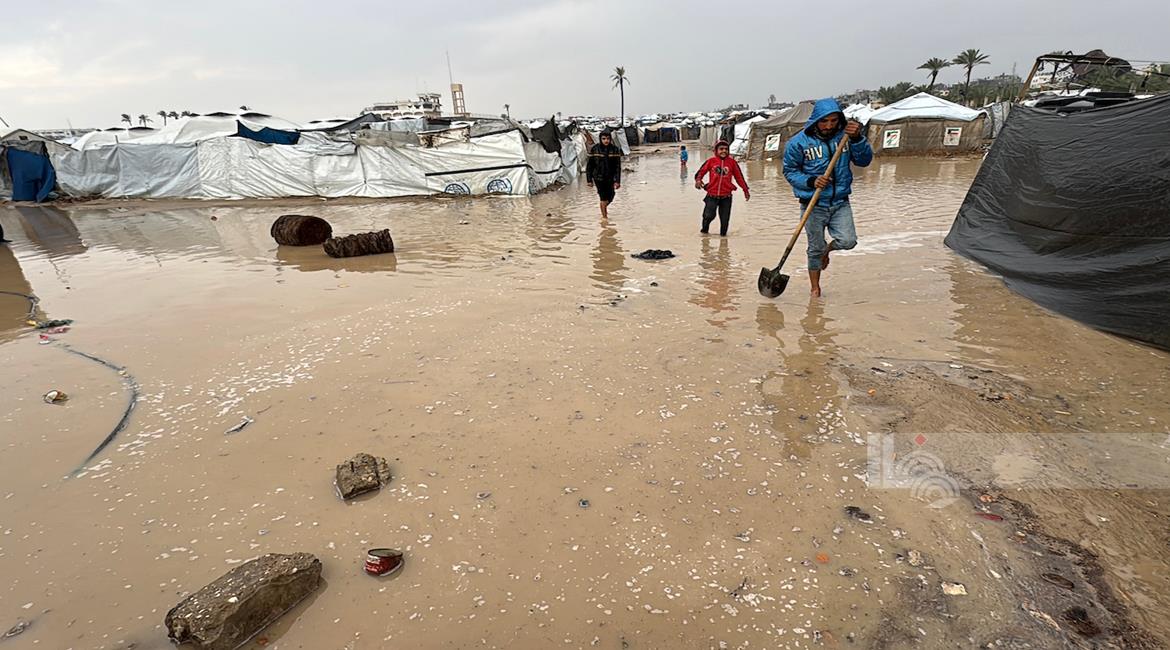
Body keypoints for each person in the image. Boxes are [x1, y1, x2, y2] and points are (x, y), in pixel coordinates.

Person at [782, 98, 872, 297]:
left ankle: (827, 250)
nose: (829, 126)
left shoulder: (847, 137)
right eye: (824, 121)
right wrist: (811, 181)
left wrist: (858, 139)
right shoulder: (798, 143)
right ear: (816, 120)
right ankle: (815, 289)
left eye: (833, 121)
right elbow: (789, 171)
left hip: (840, 202)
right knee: (814, 248)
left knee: (848, 241)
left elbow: (864, 161)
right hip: (813, 204)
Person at [693, 140, 749, 236]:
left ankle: (723, 241)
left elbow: (739, 177)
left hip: (726, 197)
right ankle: (704, 235)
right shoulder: (711, 161)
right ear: (716, 150)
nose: (724, 151)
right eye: (721, 149)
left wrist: (745, 190)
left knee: (725, 220)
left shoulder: (732, 163)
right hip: (712, 195)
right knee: (708, 216)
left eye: (726, 149)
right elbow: (701, 172)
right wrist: (698, 180)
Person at [586, 131, 622, 220]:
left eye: (608, 139)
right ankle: (604, 217)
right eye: (604, 139)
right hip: (598, 178)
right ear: (600, 139)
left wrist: (617, 181)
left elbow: (618, 167)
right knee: (603, 197)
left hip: (610, 177)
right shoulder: (595, 149)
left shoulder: (615, 149)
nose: (606, 141)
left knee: (611, 196)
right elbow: (590, 166)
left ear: (610, 139)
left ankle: (603, 208)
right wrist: (589, 180)